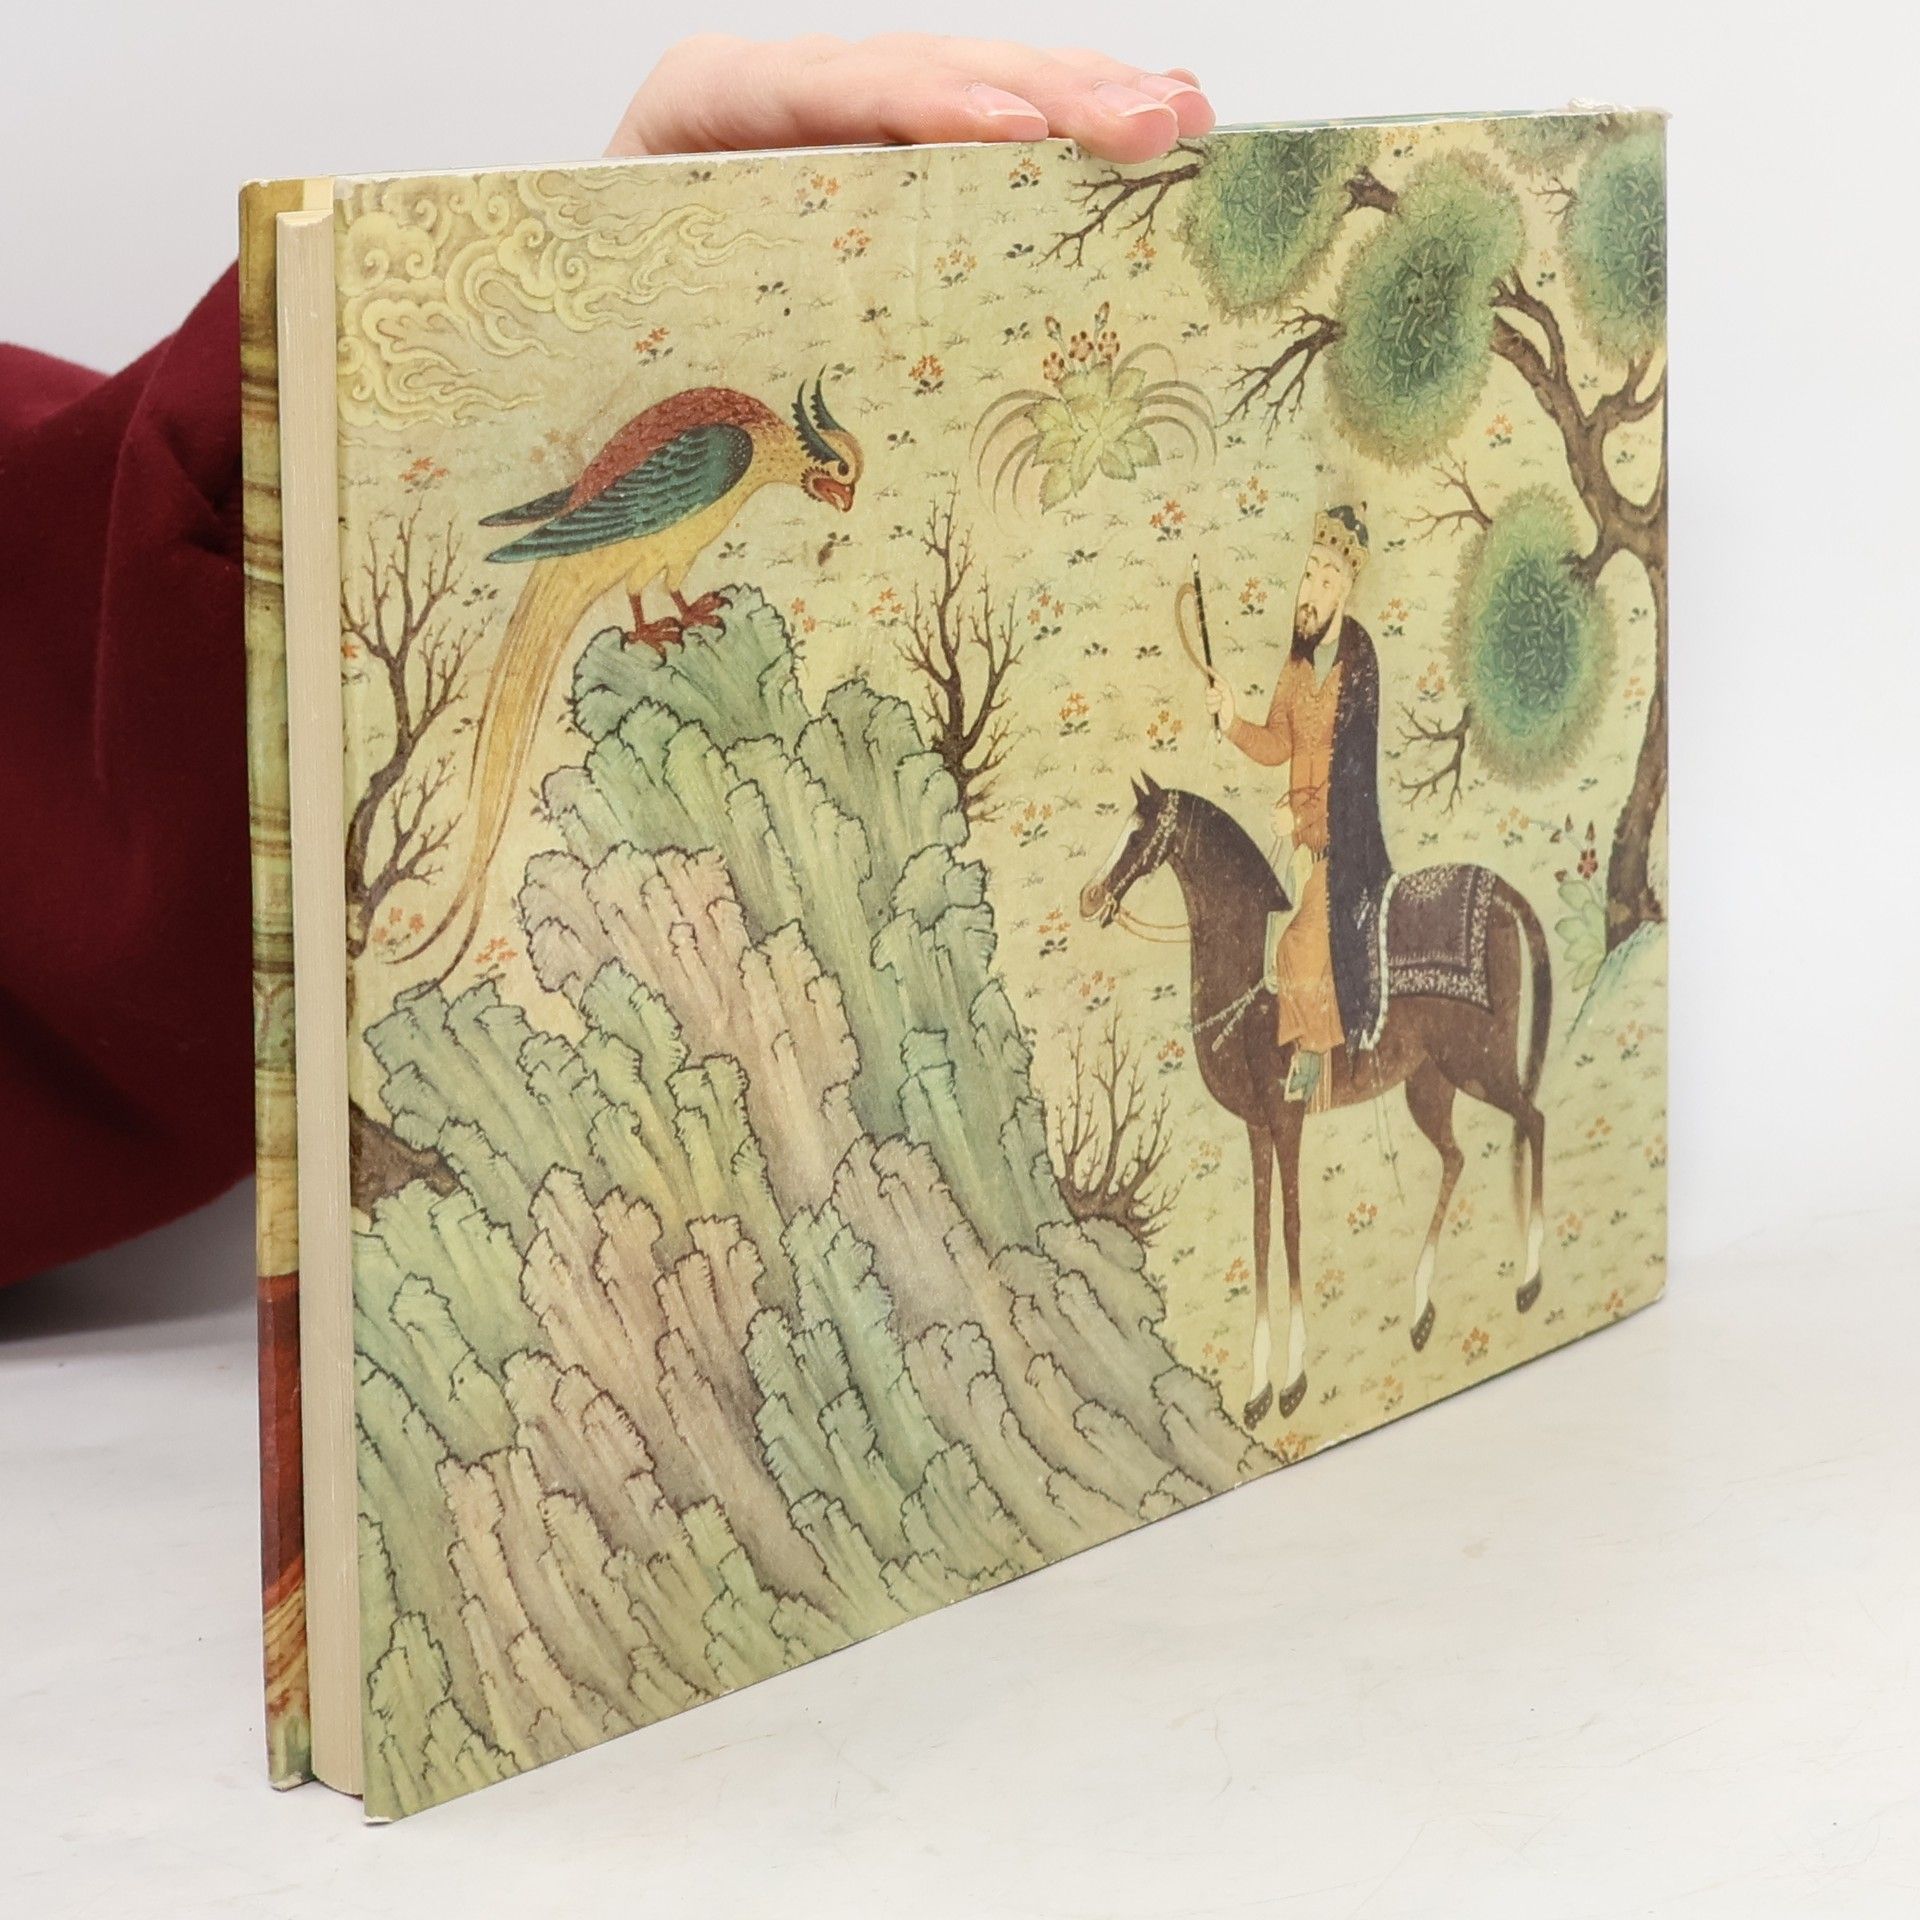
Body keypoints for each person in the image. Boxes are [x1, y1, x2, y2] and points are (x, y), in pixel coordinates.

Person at [0, 35, 1214, 1291]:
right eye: (834, 475)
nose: (834, 491)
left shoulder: (744, 438)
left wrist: (549, 327)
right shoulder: (732, 448)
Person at [1205, 506, 1393, 1108]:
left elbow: (1355, 779)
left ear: (1344, 591)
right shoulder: (1296, 664)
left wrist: (1305, 823)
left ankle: (1315, 1067)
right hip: (1301, 846)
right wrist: (1232, 721)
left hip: (1346, 850)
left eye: (1325, 579)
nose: (1309, 591)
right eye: (1307, 574)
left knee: (1298, 946)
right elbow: (1278, 743)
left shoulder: (1358, 666)